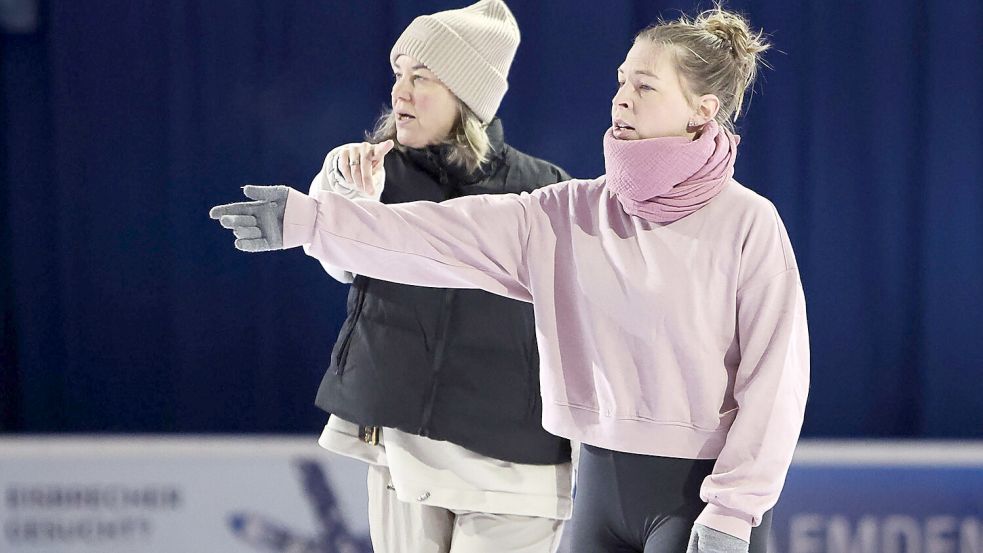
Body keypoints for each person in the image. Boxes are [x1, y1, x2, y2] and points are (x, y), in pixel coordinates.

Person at [211, 6, 809, 553]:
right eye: (621, 81)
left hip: (700, 498)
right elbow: (433, 236)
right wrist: (309, 218)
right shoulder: (566, 213)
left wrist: (733, 510)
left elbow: (776, 381)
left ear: (703, 111)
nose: (621, 99)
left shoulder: (748, 223)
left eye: (645, 86)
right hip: (599, 489)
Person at [267, 1, 573, 552]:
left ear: (467, 95)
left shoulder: (543, 190)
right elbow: (339, 264)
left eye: (422, 78)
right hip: (407, 456)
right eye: (399, 75)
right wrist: (349, 204)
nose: (400, 93)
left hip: (519, 469)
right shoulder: (370, 170)